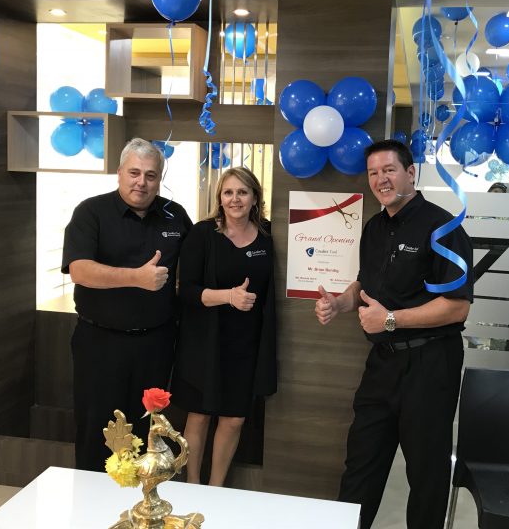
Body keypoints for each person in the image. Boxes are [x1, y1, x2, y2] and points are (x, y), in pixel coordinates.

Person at [315, 140, 474, 529]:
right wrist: (340, 303)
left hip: (431, 363)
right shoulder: (373, 227)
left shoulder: (444, 228)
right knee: (360, 466)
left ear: (410, 172)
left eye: (389, 169)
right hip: (383, 364)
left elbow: (457, 305)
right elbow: (365, 286)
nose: (381, 179)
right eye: (373, 172)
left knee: (426, 474)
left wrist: (390, 321)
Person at [62, 137, 192, 472]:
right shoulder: (91, 212)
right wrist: (136, 277)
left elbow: (194, 268)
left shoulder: (174, 215)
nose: (142, 182)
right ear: (119, 172)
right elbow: (79, 270)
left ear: (159, 178)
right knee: (99, 430)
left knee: (149, 430)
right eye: (134, 172)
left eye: (151, 175)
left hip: (157, 344)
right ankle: (92, 509)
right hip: (101, 344)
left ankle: (142, 507)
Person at [171, 167, 276, 486]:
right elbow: (184, 290)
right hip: (204, 341)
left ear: (255, 197)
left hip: (245, 345)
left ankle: (215, 489)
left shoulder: (268, 235)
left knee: (233, 419)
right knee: (199, 416)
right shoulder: (203, 234)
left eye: (242, 192)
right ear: (220, 197)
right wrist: (228, 296)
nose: (235, 199)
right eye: (228, 192)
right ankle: (191, 486)